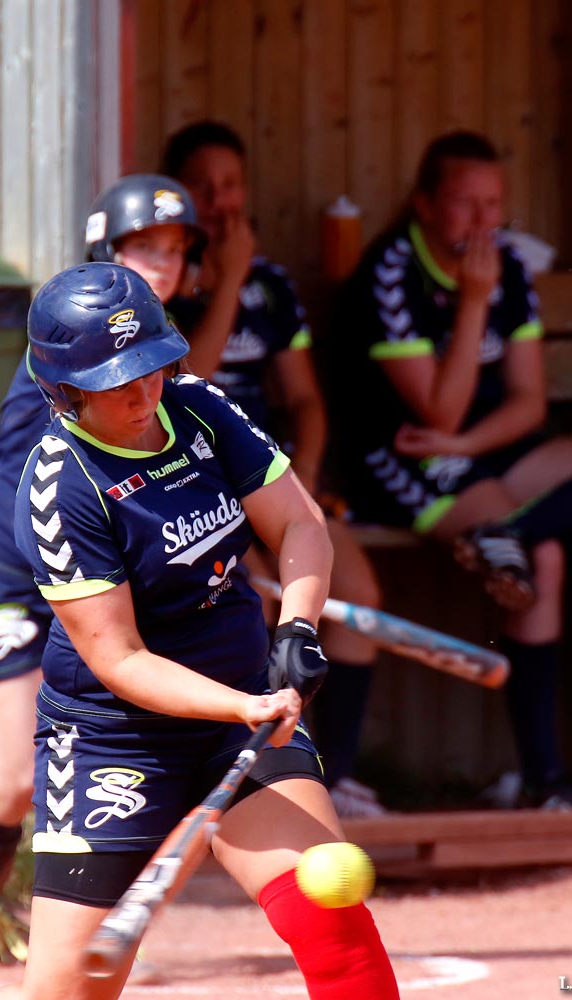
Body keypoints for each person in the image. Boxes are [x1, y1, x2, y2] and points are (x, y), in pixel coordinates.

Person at [0, 261, 396, 1000]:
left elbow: (299, 521)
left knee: (335, 929)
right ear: (65, 389)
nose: (143, 393)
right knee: (68, 992)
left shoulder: (198, 406)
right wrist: (242, 707)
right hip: (114, 735)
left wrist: (296, 627)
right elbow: (121, 659)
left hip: (245, 706)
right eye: (116, 380)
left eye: (152, 369)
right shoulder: (58, 486)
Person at [326, 130, 572, 809]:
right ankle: (545, 779)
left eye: (495, 206)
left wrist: (474, 442)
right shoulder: (392, 273)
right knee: (544, 562)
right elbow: (441, 409)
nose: (483, 223)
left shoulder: (507, 267)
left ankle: (509, 535)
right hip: (403, 459)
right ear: (424, 204)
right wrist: (472, 303)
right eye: (466, 205)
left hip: (482, 450)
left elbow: (529, 403)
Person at [0, 174, 206, 964]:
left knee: (116, 757)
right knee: (21, 771)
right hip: (0, 567)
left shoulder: (155, 353)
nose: (163, 264)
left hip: (85, 574)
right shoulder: (80, 336)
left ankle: (89, 928)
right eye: (145, 249)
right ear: (105, 252)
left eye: (177, 252)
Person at [161, 119, 387, 818]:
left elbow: (305, 400)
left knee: (358, 597)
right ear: (180, 197)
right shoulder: (161, 282)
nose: (223, 201)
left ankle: (336, 775)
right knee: (253, 610)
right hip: (192, 485)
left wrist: (308, 481)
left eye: (233, 185)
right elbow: (187, 381)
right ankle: (251, 786)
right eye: (205, 187)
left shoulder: (274, 284)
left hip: (267, 477)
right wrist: (226, 279)